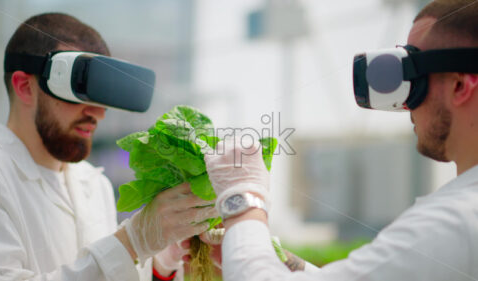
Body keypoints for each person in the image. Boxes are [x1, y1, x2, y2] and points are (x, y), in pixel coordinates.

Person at [203, 0, 478, 280]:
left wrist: (242, 199)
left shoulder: (455, 222)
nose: (406, 105)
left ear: (459, 85)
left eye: (414, 81)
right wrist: (276, 261)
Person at [0, 13, 217, 281]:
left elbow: (106, 271)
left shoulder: (93, 183)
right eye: (79, 90)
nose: (98, 114)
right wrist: (130, 243)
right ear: (24, 86)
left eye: (101, 96)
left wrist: (159, 264)